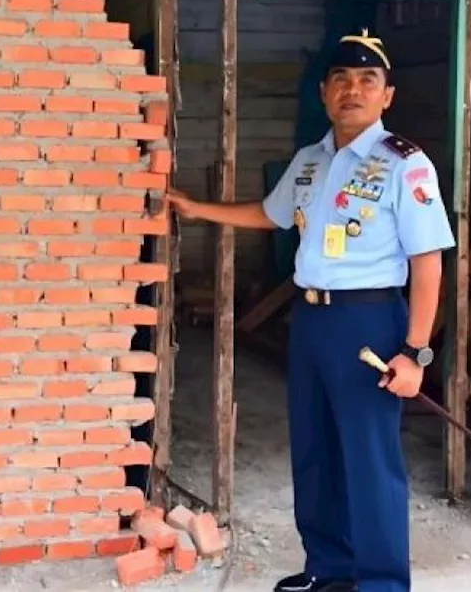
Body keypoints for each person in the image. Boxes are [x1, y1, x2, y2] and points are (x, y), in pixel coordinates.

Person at [167, 29, 456, 592]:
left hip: (370, 325)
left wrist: (415, 352)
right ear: (324, 92)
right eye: (341, 80)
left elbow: (429, 264)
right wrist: (199, 209)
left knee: (370, 462)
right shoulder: (309, 161)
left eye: (367, 81)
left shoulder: (405, 164)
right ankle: (330, 570)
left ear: (386, 95)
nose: (353, 90)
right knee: (316, 451)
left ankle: (380, 583)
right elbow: (270, 215)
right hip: (313, 321)